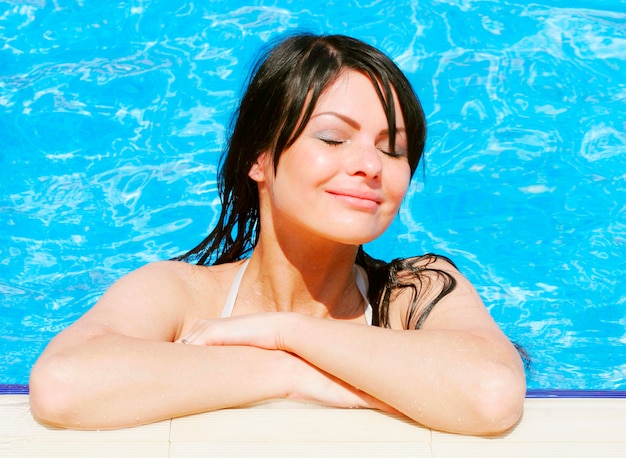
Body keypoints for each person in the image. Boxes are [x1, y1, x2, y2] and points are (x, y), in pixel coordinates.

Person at [29, 33, 526, 435]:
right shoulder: (180, 294)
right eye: (333, 137)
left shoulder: (415, 290)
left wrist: (285, 331)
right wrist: (291, 373)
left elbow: (490, 394)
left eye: (392, 148)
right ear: (259, 158)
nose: (371, 166)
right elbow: (63, 384)